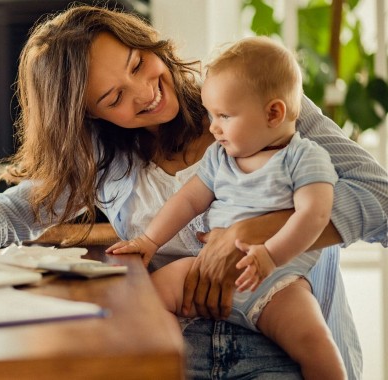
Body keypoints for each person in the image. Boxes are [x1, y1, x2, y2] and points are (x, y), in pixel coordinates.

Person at [0, 5, 388, 379]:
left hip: (286, 345)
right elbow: (27, 203)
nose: (144, 93)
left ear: (147, 43)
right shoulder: (107, 155)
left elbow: (381, 200)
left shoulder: (256, 99)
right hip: (180, 347)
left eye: (139, 64)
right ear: (91, 116)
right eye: (114, 98)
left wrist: (255, 230)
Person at [106, 36, 345, 379]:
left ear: (273, 113)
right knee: (147, 298)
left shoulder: (304, 158)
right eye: (210, 114)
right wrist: (149, 241)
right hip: (205, 270)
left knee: (316, 343)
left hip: (277, 284)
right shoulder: (220, 157)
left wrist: (271, 255)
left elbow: (315, 216)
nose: (213, 126)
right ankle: (170, 365)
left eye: (224, 116)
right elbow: (188, 200)